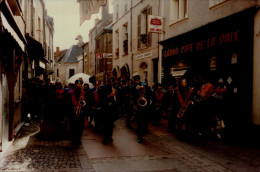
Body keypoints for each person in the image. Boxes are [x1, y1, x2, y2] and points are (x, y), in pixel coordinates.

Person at [70, 79, 86, 145]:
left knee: (81, 126)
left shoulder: (83, 92)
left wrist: (83, 101)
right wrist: (73, 107)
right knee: (73, 126)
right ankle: (74, 139)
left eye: (80, 84)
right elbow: (68, 101)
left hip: (81, 110)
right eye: (77, 84)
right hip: (73, 110)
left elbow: (86, 101)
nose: (79, 85)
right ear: (75, 84)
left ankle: (79, 139)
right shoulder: (71, 92)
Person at [102, 77, 117, 144]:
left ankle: (110, 136)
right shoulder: (105, 87)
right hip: (106, 107)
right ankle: (105, 138)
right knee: (106, 124)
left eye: (112, 81)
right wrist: (109, 96)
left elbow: (116, 98)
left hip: (112, 107)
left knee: (111, 123)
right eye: (110, 81)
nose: (111, 82)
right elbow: (103, 97)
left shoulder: (114, 87)